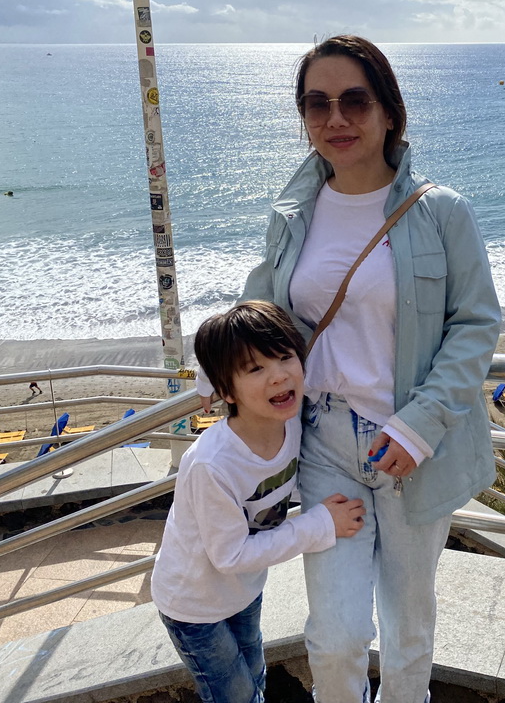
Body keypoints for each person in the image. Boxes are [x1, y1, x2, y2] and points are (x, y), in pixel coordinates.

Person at [199, 35, 500, 702]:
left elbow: (476, 324)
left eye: (355, 101)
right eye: (318, 104)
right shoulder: (294, 215)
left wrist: (419, 426)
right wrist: (220, 383)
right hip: (325, 443)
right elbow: (262, 313)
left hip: (413, 447)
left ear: (390, 112)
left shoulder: (441, 211)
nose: (336, 119)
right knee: (335, 638)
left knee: (407, 629)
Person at [155, 301, 365, 703]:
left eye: (286, 357)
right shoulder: (211, 465)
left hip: (244, 590)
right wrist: (319, 524)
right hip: (194, 605)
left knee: (254, 675)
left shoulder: (292, 420)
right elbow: (231, 555)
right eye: (256, 369)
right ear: (226, 392)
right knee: (233, 696)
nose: (279, 376)